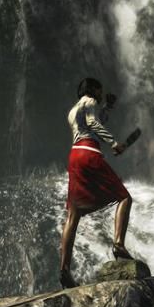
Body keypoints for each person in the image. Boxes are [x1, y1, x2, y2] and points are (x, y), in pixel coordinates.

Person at [60, 77, 133, 289]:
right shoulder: (90, 101)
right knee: (124, 197)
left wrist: (108, 107)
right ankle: (118, 244)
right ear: (92, 90)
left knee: (73, 214)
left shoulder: (74, 110)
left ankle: (64, 269)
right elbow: (93, 124)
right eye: (100, 92)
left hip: (74, 156)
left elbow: (93, 123)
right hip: (89, 153)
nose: (101, 96)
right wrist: (113, 143)